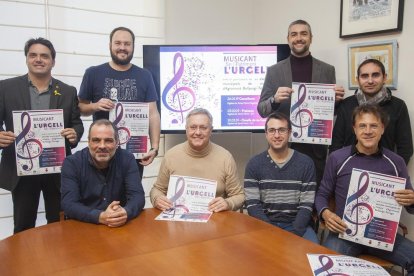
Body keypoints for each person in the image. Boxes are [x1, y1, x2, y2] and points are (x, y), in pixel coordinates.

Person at [315, 104, 414, 273]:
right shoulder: (337, 158)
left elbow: (410, 205)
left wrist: (412, 200)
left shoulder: (396, 162)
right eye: (362, 126)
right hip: (345, 233)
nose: (368, 131)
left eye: (373, 125)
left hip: (382, 236)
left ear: (382, 129)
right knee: (328, 268)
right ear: (354, 129)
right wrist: (325, 213)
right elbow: (322, 194)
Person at [0, 37, 84, 233]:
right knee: (23, 226)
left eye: (44, 56)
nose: (39, 59)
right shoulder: (5, 88)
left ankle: (58, 262)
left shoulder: (67, 91)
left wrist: (74, 134)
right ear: (27, 59)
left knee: (59, 224)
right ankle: (23, 262)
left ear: (52, 61)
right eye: (33, 55)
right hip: (22, 168)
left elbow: (76, 124)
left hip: (56, 166)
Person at [257, 19, 345, 185]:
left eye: (304, 34)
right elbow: (262, 110)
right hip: (284, 145)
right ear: (288, 38)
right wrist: (274, 100)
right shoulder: (274, 71)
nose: (299, 38)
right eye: (294, 34)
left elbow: (330, 112)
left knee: (313, 197)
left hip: (315, 147)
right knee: (284, 195)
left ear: (311, 38)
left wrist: (336, 101)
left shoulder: (327, 70)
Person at [78, 26, 160, 178]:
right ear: (110, 45)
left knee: (132, 197)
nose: (122, 47)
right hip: (102, 151)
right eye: (118, 43)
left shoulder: (144, 75)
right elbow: (81, 107)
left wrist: (155, 147)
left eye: (127, 44)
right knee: (99, 198)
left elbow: (153, 114)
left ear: (133, 46)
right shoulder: (93, 73)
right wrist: (95, 106)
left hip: (134, 152)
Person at [150, 108, 245, 212]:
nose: (198, 132)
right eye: (193, 127)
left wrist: (228, 203)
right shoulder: (171, 156)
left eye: (203, 128)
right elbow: (157, 189)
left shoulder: (225, 158)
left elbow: (239, 196)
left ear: (211, 130)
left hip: (215, 221)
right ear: (186, 129)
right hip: (178, 221)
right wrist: (157, 199)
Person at [244, 112, 318, 242]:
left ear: (289, 133)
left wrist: (294, 233)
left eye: (282, 130)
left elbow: (306, 205)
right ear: (266, 134)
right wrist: (271, 232)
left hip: (296, 225)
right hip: (263, 225)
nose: (277, 135)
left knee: (311, 256)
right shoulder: (254, 164)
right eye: (272, 130)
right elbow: (253, 205)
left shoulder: (306, 163)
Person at [61, 119, 145, 226]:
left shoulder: (127, 159)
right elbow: (69, 204)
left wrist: (125, 212)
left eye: (108, 140)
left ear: (117, 142)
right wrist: (100, 216)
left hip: (119, 225)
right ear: (88, 142)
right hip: (84, 226)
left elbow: (137, 196)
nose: (102, 146)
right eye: (96, 140)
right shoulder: (71, 163)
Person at [330, 58, 413, 164]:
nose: (370, 81)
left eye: (375, 75)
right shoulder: (346, 105)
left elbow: (405, 149)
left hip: (384, 174)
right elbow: (336, 144)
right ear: (358, 79)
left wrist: (392, 174)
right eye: (364, 76)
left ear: (384, 77)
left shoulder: (398, 106)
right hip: (349, 170)